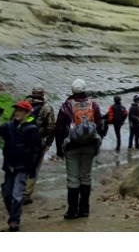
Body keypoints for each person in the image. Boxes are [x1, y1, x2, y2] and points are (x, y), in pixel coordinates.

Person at [55, 78, 105, 220]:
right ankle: (84, 209)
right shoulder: (93, 104)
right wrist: (97, 144)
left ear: (72, 90)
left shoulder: (66, 106)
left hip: (71, 146)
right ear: (84, 89)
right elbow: (100, 126)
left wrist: (59, 149)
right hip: (89, 145)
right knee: (86, 177)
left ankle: (72, 210)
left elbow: (59, 129)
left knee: (73, 178)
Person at [0, 100, 41, 231]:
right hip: (9, 166)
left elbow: (36, 150)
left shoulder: (32, 128)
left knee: (17, 195)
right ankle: (13, 215)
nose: (17, 113)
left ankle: (14, 221)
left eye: (21, 111)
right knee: (7, 194)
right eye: (16, 110)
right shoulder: (9, 126)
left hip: (23, 167)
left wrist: (32, 168)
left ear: (28, 113)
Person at [21, 86, 54, 205]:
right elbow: (51, 128)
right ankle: (26, 195)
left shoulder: (23, 104)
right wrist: (48, 143)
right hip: (37, 142)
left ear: (32, 93)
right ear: (42, 94)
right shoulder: (47, 108)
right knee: (33, 169)